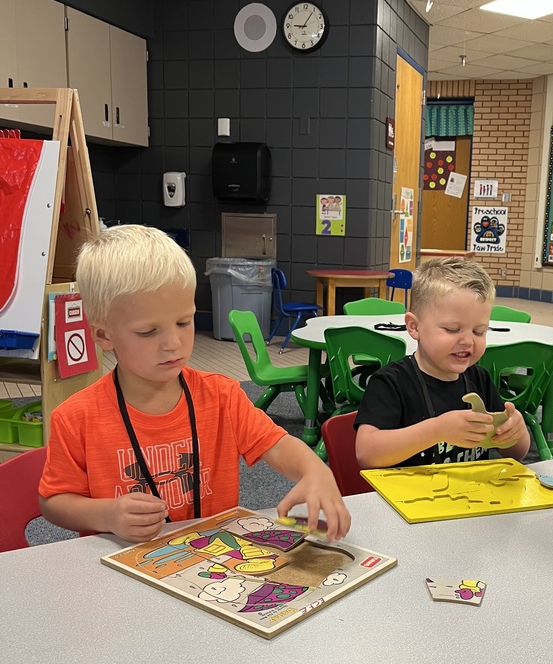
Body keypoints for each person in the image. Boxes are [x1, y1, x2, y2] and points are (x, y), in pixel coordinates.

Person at [39, 225, 350, 544]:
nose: (173, 343)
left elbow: (279, 445)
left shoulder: (222, 396)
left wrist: (315, 470)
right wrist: (105, 515)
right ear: (104, 335)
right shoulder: (76, 417)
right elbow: (53, 502)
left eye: (184, 322)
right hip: (121, 564)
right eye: (148, 332)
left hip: (214, 563)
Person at [354, 258, 531, 468]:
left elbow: (516, 453)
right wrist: (437, 430)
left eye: (479, 331)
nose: (467, 341)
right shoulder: (391, 382)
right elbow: (366, 454)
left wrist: (516, 433)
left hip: (470, 496)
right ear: (414, 327)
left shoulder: (479, 379)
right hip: (408, 496)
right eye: (452, 329)